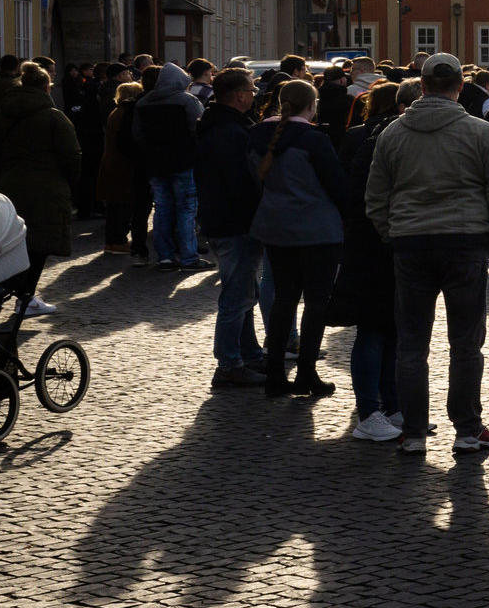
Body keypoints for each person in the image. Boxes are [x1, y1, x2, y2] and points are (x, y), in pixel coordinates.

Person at [365, 53, 489, 455]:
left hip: (411, 243)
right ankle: (467, 428)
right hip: (465, 241)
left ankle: (413, 431)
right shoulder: (480, 132)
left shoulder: (393, 134)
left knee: (411, 343)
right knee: (466, 342)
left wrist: (392, 233)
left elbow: (376, 196)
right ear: (460, 86)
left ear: (423, 83)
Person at [245, 80, 350, 399]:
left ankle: (275, 372)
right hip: (318, 229)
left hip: (276, 224)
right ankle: (306, 371)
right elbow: (336, 185)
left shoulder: (258, 135)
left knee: (284, 298)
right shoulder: (314, 139)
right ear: (311, 105)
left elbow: (253, 178)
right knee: (316, 302)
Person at [322, 82, 404, 441]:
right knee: (376, 329)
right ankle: (372, 409)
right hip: (377, 243)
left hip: (368, 241)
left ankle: (390, 405)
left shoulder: (358, 135)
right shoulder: (385, 140)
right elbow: (358, 194)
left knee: (387, 329)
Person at [194, 67, 273, 388]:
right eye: (252, 91)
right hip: (234, 222)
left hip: (221, 219)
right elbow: (241, 182)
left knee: (244, 292)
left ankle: (249, 353)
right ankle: (228, 364)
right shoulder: (231, 133)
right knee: (237, 295)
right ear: (240, 96)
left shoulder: (216, 125)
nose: (254, 96)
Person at [0, 64, 81, 324]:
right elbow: (71, 156)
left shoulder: (3, 114)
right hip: (46, 188)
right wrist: (71, 184)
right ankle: (26, 296)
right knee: (39, 245)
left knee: (7, 243)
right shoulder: (54, 117)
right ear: (46, 87)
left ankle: (7, 292)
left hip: (8, 187)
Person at [135, 60, 203, 272]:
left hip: (155, 163)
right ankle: (189, 257)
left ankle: (164, 257)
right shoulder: (187, 101)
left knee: (162, 209)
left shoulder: (143, 103)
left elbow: (137, 135)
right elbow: (198, 130)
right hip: (183, 161)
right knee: (185, 209)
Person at [98, 81, 147, 265]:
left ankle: (114, 241)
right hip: (122, 164)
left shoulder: (116, 111)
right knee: (122, 204)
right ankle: (117, 241)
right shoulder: (125, 113)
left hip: (112, 162)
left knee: (115, 204)